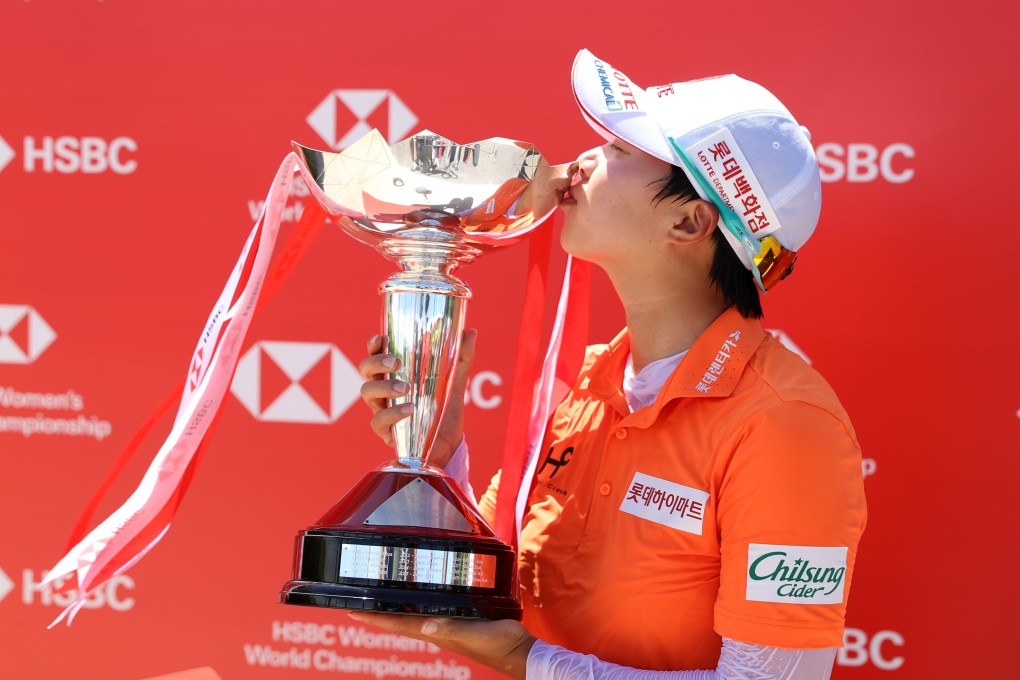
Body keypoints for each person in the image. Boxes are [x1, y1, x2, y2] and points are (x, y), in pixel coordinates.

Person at [353, 49, 867, 680]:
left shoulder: (787, 425)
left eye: (621, 149)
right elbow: (492, 574)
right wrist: (438, 440)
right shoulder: (584, 379)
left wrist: (525, 661)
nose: (583, 159)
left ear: (689, 220)